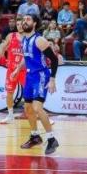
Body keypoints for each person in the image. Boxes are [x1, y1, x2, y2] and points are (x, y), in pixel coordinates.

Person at [16, 15, 59, 156]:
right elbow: (26, 57)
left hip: (41, 75)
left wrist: (52, 79)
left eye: (28, 19)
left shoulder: (39, 40)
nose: (24, 21)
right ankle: (35, 136)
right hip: (29, 76)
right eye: (23, 20)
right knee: (27, 107)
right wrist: (17, 70)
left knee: (37, 107)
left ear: (34, 23)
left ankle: (51, 139)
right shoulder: (24, 39)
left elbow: (54, 59)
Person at [0, 16, 26, 124]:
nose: (19, 26)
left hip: (23, 70)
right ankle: (10, 115)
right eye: (17, 24)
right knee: (9, 93)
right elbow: (2, 45)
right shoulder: (11, 35)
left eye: (21, 24)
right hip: (11, 69)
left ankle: (38, 114)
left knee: (30, 94)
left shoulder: (28, 38)